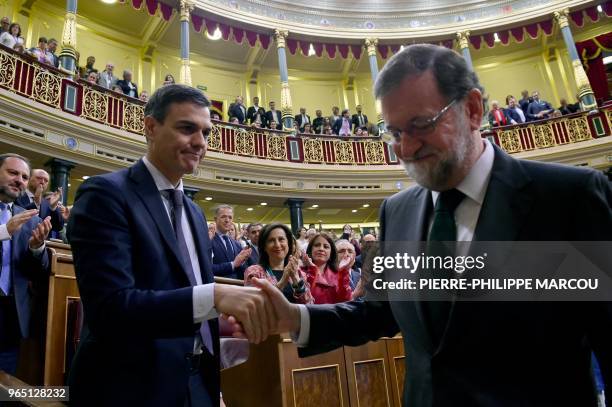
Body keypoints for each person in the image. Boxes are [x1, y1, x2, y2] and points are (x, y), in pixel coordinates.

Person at [235, 44, 612, 407]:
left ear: (473, 109)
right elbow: (378, 311)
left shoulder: (567, 199)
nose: (405, 149)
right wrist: (295, 317)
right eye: (396, 133)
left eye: (421, 125)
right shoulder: (396, 212)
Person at [66, 85, 278, 406]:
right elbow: (110, 308)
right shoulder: (105, 194)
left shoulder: (194, 212)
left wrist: (210, 370)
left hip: (196, 382)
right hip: (130, 387)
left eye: (205, 132)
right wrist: (216, 296)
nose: (200, 143)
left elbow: (187, 298)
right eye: (187, 128)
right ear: (151, 127)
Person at [0, 154, 51, 375]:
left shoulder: (30, 217)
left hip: (11, 315)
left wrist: (36, 248)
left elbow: (39, 272)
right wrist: (4, 231)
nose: (19, 180)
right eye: (12, 173)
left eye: (24, 176)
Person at [244, 223, 313, 304]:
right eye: (271, 240)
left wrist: (296, 280)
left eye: (281, 239)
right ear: (264, 247)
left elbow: (309, 304)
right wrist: (282, 282)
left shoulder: (297, 271)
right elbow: (255, 304)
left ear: (288, 244)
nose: (277, 245)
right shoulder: (254, 272)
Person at [302, 233, 352, 304]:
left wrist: (343, 272)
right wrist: (312, 269)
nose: (321, 249)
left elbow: (346, 300)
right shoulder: (300, 272)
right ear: (310, 249)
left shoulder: (339, 274)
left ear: (331, 253)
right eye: (317, 245)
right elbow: (304, 300)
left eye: (326, 247)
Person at [15, 168, 64, 236]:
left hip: (38, 244)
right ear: (28, 178)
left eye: (46, 180)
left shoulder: (46, 203)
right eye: (39, 178)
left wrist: (53, 208)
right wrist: (35, 203)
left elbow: (58, 227)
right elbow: (17, 216)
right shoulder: (16, 195)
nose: (42, 182)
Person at [210, 204, 251, 280]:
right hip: (218, 287)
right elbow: (208, 269)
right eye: (223, 217)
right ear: (215, 219)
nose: (227, 220)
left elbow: (241, 269)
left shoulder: (237, 244)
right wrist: (233, 264)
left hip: (238, 286)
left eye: (230, 217)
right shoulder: (209, 241)